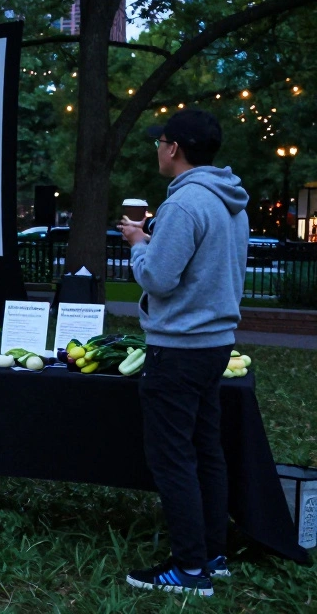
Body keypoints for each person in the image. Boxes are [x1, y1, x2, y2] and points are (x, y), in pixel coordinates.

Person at [119, 109, 249, 597]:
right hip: (215, 345)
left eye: (160, 142)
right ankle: (211, 555)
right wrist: (154, 242)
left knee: (173, 459)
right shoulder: (229, 201)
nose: (157, 148)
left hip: (177, 351)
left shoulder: (183, 204)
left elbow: (158, 279)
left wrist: (136, 244)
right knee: (205, 451)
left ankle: (189, 570)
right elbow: (201, 265)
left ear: (174, 148)